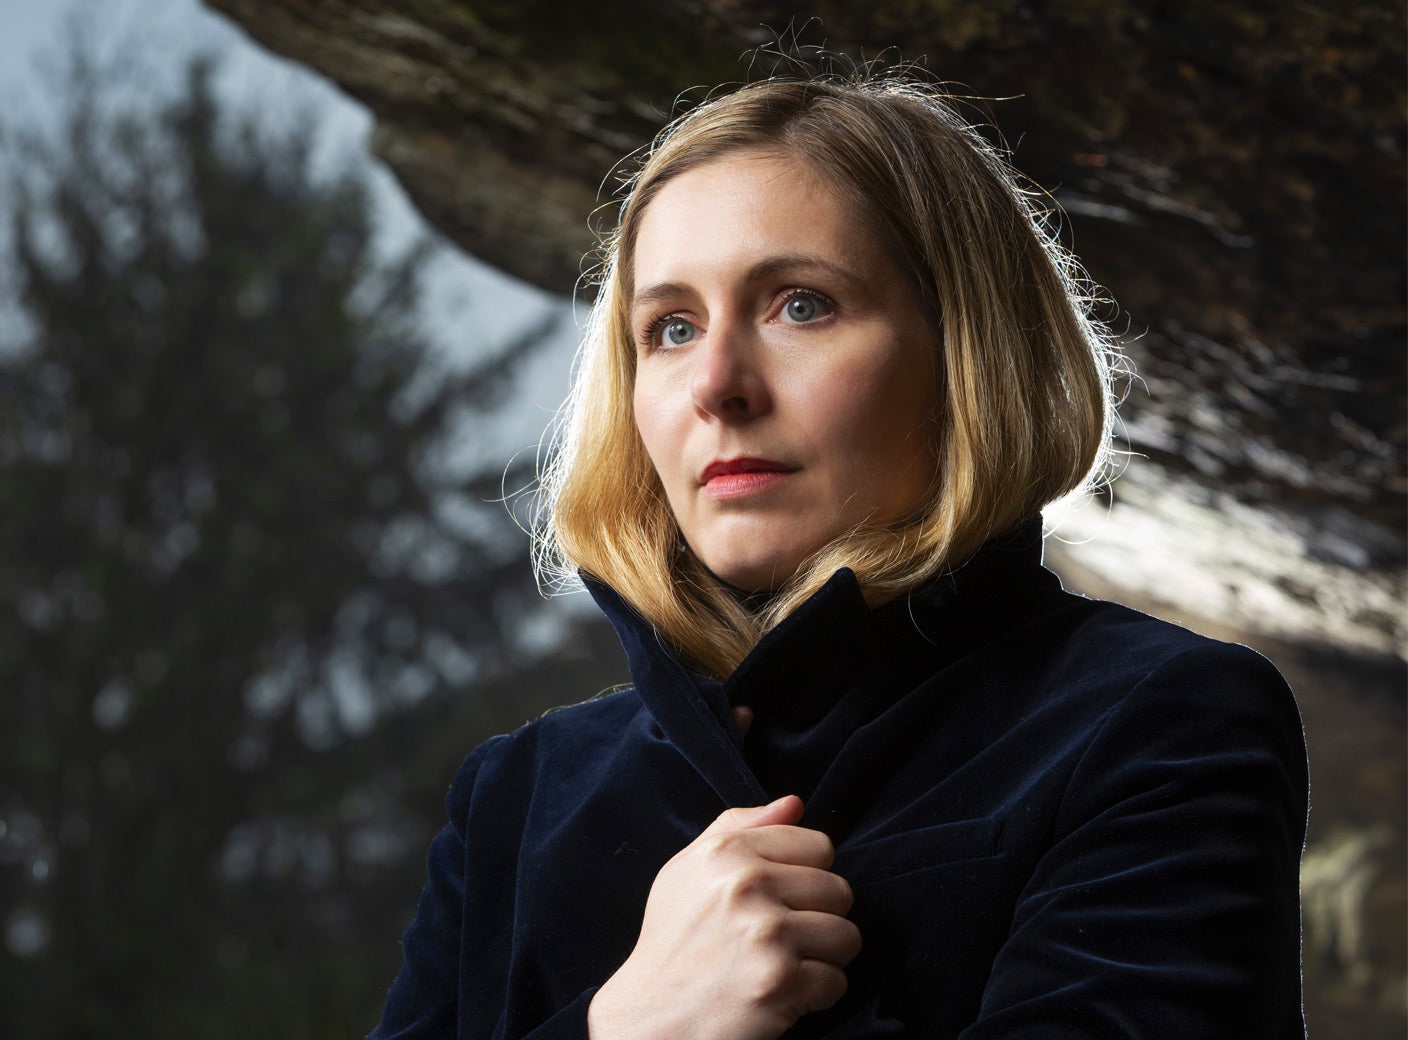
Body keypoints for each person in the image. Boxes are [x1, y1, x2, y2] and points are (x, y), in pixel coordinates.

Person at [366, 71, 1308, 1040]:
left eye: (800, 305)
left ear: (966, 353)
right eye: (672, 328)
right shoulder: (517, 793)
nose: (718, 385)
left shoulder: (1161, 718)